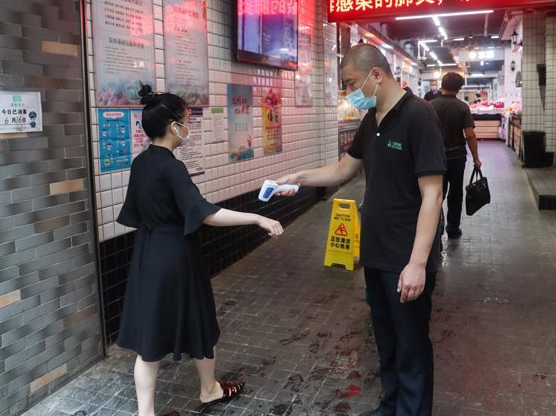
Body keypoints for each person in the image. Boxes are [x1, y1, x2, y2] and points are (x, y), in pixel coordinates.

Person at [276, 43, 446, 416]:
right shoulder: (373, 121)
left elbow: (432, 196)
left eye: (351, 82)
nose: (349, 91)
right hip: (376, 252)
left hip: (406, 256)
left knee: (412, 345)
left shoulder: (420, 117)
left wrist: (417, 263)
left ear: (376, 75)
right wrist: (298, 178)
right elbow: (343, 169)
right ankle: (390, 407)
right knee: (385, 341)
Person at [116, 85, 284, 416]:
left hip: (147, 254)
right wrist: (257, 218)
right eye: (187, 120)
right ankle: (209, 390)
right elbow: (205, 213)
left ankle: (145, 413)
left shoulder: (141, 163)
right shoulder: (171, 166)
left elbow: (136, 213)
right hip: (177, 256)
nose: (189, 126)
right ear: (172, 126)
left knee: (149, 341)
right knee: (201, 323)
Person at [429, 72, 483, 239]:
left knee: (435, 194)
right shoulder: (462, 107)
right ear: (459, 88)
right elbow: (470, 134)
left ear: (442, 86)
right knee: (455, 194)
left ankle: (435, 231)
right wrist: (476, 158)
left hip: (434, 157)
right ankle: (453, 229)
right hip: (457, 158)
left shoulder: (429, 105)